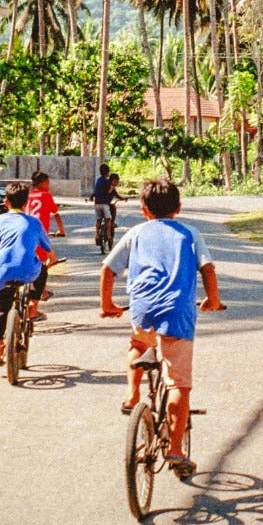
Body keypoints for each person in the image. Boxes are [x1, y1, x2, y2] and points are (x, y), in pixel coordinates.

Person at [100, 178, 223, 478]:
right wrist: (213, 300)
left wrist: (108, 306)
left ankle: (132, 396)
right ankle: (176, 449)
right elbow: (207, 268)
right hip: (179, 313)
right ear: (178, 208)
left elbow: (107, 269)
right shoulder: (191, 233)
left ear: (144, 210)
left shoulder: (136, 232)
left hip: (143, 309)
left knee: (139, 344)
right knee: (178, 383)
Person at [0, 180, 58, 367]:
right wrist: (51, 260)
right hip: (28, 270)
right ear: (26, 203)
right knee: (42, 269)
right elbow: (48, 249)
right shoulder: (34, 222)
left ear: (6, 202)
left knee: (1, 308)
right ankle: (33, 305)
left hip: (3, 270)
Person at [25, 171, 67, 239]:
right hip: (41, 234)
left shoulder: (28, 195)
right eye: (47, 183)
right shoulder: (46, 195)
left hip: (27, 232)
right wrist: (61, 231)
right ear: (42, 183)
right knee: (49, 249)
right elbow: (55, 214)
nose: (48, 186)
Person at [91, 163, 120, 244]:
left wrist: (91, 197)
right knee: (108, 219)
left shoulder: (98, 180)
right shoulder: (107, 182)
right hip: (104, 204)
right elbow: (109, 192)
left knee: (98, 219)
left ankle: (97, 235)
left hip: (97, 203)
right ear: (107, 173)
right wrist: (112, 187)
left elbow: (95, 191)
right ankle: (109, 234)